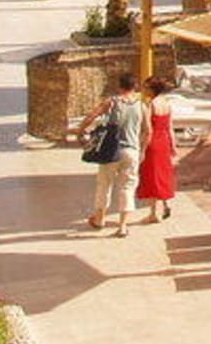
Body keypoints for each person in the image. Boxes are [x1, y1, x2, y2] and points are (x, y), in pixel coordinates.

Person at [74, 73, 147, 237]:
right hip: (131, 150)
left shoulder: (112, 102)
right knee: (127, 187)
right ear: (135, 87)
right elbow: (147, 130)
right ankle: (123, 226)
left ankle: (99, 219)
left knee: (104, 184)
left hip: (110, 150)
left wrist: (80, 131)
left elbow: (92, 116)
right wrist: (142, 150)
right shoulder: (142, 106)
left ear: (119, 86)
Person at [136, 77, 178, 223]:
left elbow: (148, 130)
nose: (143, 90)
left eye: (146, 87)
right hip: (164, 142)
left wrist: (142, 149)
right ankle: (165, 205)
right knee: (162, 174)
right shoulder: (167, 103)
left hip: (153, 143)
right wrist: (173, 146)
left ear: (152, 89)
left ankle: (154, 213)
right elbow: (170, 128)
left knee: (152, 177)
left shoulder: (150, 104)